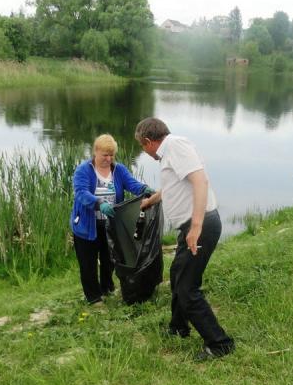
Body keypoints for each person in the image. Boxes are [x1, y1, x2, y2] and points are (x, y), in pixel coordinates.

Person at [135, 117, 235, 360]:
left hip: (200, 225)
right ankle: (178, 327)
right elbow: (175, 186)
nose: (145, 152)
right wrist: (150, 201)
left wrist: (196, 226)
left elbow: (200, 181)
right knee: (178, 275)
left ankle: (220, 344)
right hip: (191, 226)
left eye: (142, 146)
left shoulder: (176, 147)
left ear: (148, 142)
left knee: (187, 288)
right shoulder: (171, 150)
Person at [71, 134, 150, 304]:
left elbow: (132, 185)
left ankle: (107, 288)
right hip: (87, 225)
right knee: (88, 263)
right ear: (95, 152)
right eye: (104, 155)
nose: (108, 159)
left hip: (110, 224)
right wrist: (99, 204)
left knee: (109, 259)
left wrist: (145, 189)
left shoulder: (118, 169)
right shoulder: (83, 170)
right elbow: (81, 193)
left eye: (111, 155)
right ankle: (93, 297)